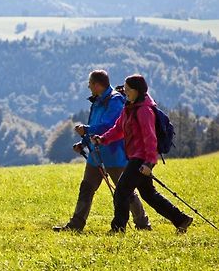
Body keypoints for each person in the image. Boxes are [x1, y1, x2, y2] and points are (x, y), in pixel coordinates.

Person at [91, 74, 193, 233]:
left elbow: (150, 139)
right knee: (149, 195)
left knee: (121, 191)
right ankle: (181, 219)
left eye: (127, 89)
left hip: (141, 159)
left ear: (137, 90)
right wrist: (102, 139)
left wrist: (149, 163)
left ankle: (118, 228)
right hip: (135, 157)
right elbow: (119, 130)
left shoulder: (144, 110)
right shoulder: (128, 107)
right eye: (124, 88)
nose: (124, 91)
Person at [53, 70, 151, 232]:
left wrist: (86, 129)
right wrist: (83, 142)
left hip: (114, 153)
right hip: (95, 154)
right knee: (87, 187)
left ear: (97, 85)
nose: (88, 86)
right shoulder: (98, 101)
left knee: (125, 190)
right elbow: (95, 125)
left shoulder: (115, 100)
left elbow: (111, 125)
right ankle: (76, 224)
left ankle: (142, 223)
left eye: (90, 83)